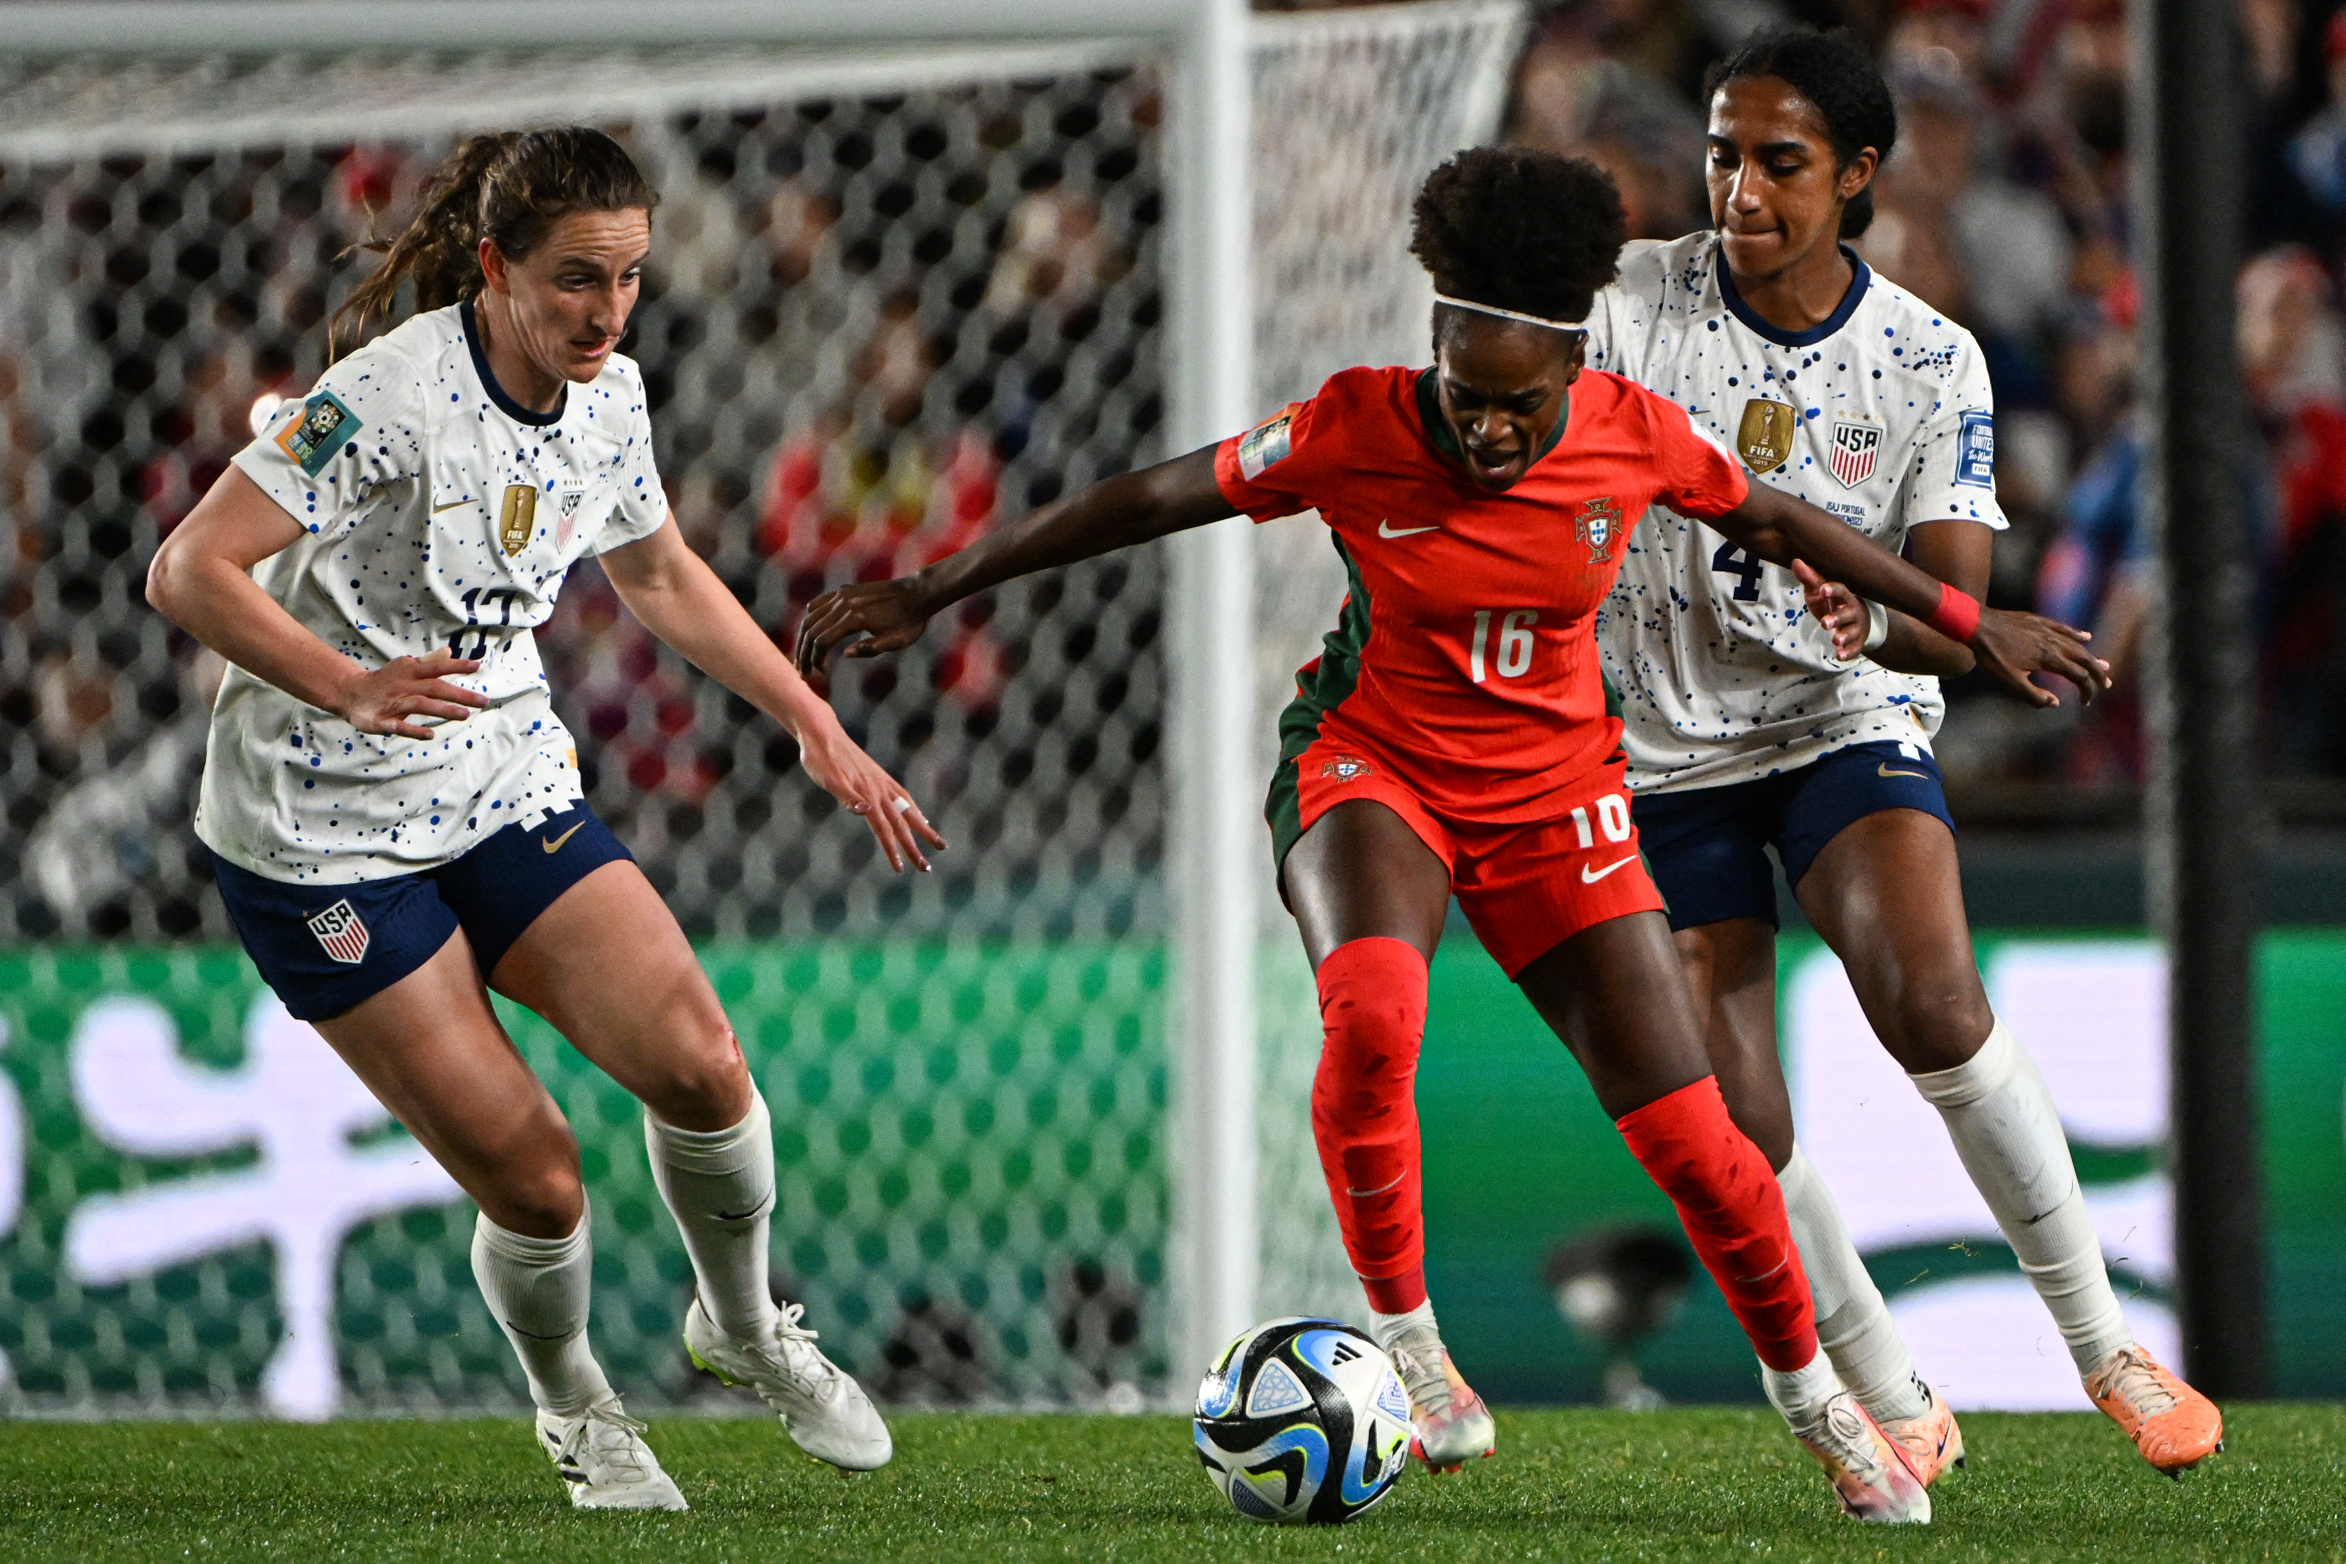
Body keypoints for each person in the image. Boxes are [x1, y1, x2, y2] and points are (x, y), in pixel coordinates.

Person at [799, 147, 2106, 1524]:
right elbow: (1145, 498)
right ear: (1432, 342)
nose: (1486, 431)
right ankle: (1418, 1361)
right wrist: (936, 587)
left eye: (1516, 407)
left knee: (1702, 1148)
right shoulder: (1350, 426)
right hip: (1373, 766)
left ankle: (1824, 1411)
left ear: (1567, 368)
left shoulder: (1632, 433)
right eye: (1465, 397)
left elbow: (1784, 522)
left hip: (1557, 798)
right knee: (1370, 1017)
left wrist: (1973, 624)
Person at [145, 128, 945, 1511]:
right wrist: (347, 681)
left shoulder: (611, 396)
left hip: (500, 777)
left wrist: (813, 724)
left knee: (701, 1061)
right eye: (578, 280)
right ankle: (577, 1404)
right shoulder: (380, 398)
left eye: (629, 280)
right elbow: (187, 569)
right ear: (494, 264)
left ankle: (743, 1328)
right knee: (538, 1179)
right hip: (319, 829)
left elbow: (662, 574)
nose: (607, 312)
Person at [1584, 23, 2222, 1482]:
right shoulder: (1626, 305)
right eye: (1721, 154)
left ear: (1857, 172)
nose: (1738, 189)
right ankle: (1882, 1380)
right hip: (1658, 744)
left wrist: (1865, 624)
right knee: (1733, 1115)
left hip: (1836, 714)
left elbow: (1952, 619)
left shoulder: (1927, 361)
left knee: (1928, 996)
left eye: (1779, 162)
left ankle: (2104, 1347)